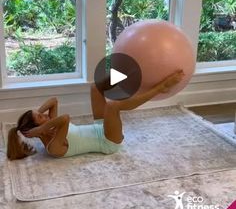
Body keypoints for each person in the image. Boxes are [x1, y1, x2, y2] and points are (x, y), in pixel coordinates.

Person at [7, 70, 184, 160]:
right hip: (107, 141)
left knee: (95, 88)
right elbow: (65, 119)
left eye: (42, 113)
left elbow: (53, 100)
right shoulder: (53, 147)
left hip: (99, 126)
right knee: (113, 106)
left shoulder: (49, 127)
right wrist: (42, 126)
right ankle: (161, 87)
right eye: (41, 116)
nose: (45, 115)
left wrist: (38, 118)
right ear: (39, 129)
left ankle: (126, 72)